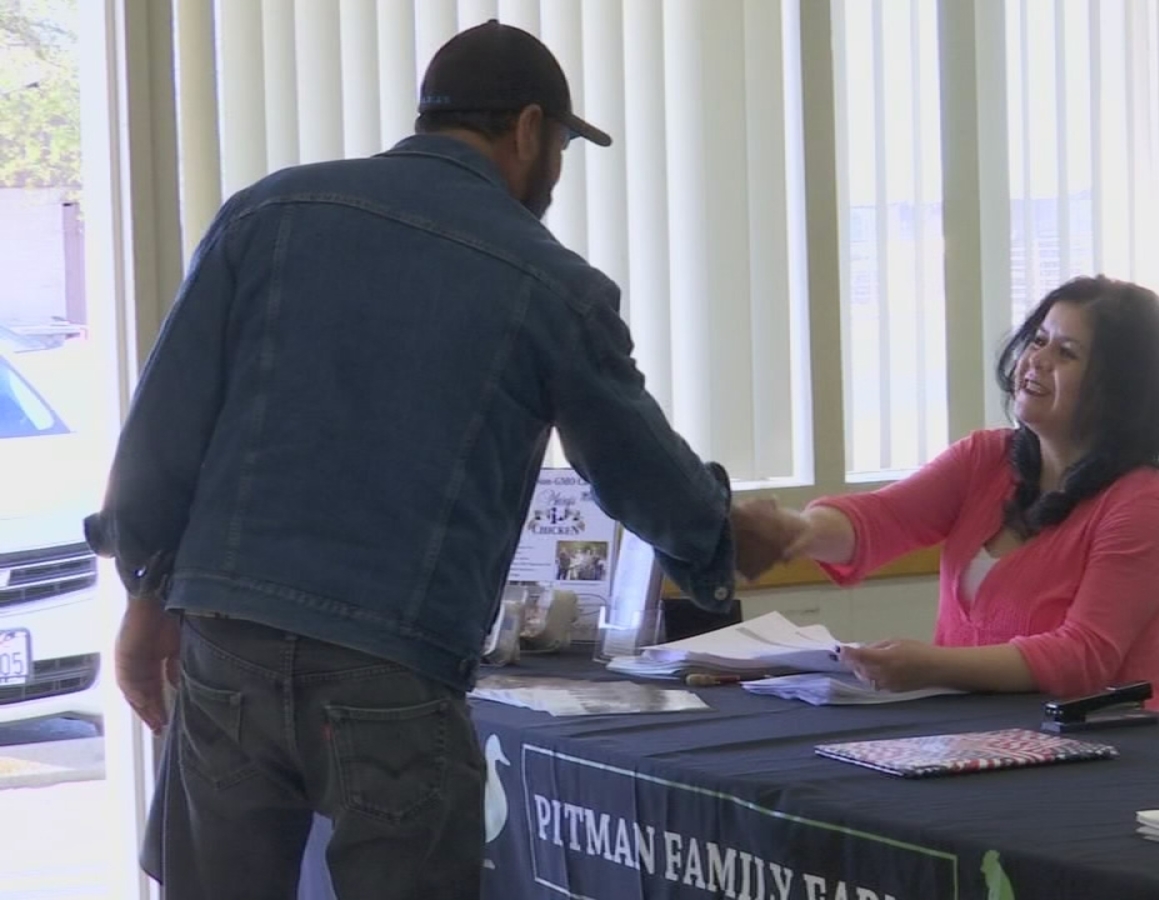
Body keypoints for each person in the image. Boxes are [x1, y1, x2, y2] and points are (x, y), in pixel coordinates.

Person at [86, 20, 789, 900]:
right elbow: (631, 461)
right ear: (529, 129)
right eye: (562, 147)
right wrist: (722, 536)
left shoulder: (268, 214)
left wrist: (144, 596)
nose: (556, 173)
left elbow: (164, 430)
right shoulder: (550, 283)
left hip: (229, 651)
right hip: (391, 671)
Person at [752, 275, 1159, 709]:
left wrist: (934, 666)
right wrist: (798, 530)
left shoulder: (1145, 502)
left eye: (1066, 353)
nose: (1037, 360)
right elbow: (883, 518)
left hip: (1104, 743)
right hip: (975, 737)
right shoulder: (985, 458)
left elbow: (1083, 658)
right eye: (1039, 340)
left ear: (1120, 388)